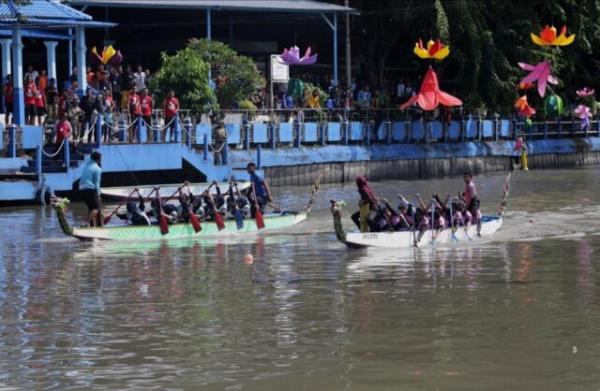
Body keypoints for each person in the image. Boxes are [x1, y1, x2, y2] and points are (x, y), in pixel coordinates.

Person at [79, 151, 102, 227]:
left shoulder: (87, 164)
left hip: (82, 189)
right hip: (89, 189)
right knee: (96, 209)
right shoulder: (97, 169)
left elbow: (90, 158)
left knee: (91, 208)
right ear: (98, 159)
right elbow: (97, 183)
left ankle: (91, 226)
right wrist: (98, 195)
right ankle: (85, 223)